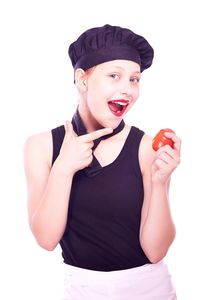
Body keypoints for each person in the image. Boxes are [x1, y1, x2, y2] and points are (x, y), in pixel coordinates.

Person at [23, 24, 181, 299]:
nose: (127, 89)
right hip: (82, 291)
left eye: (134, 79)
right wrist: (63, 169)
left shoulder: (146, 148)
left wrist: (160, 181)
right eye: (114, 76)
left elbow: (156, 250)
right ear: (82, 80)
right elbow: (46, 240)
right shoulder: (41, 147)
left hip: (150, 291)